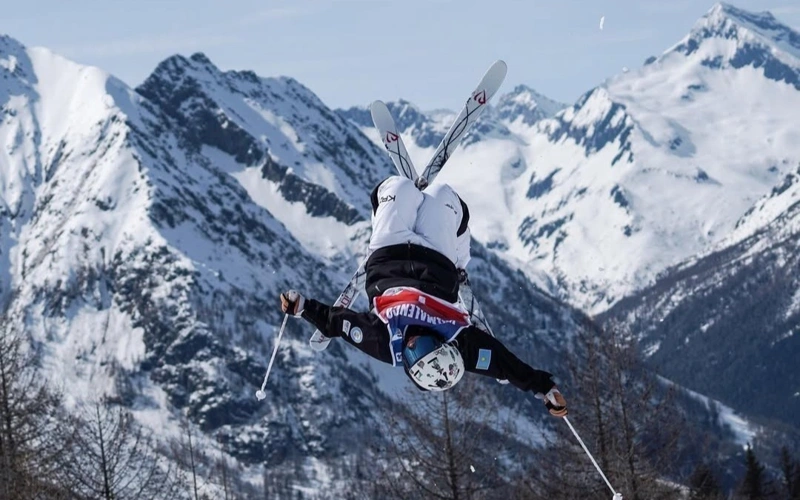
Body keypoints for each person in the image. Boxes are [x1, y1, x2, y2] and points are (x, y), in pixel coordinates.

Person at [280, 176, 567, 417]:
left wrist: (301, 307)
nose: (413, 344)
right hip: (436, 257)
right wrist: (544, 389)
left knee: (396, 187)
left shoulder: (384, 343)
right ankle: (458, 254)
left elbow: (338, 323)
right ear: (443, 345)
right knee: (444, 196)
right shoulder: (460, 343)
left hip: (388, 252)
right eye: (425, 346)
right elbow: (505, 365)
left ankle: (402, 202)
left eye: (412, 355)